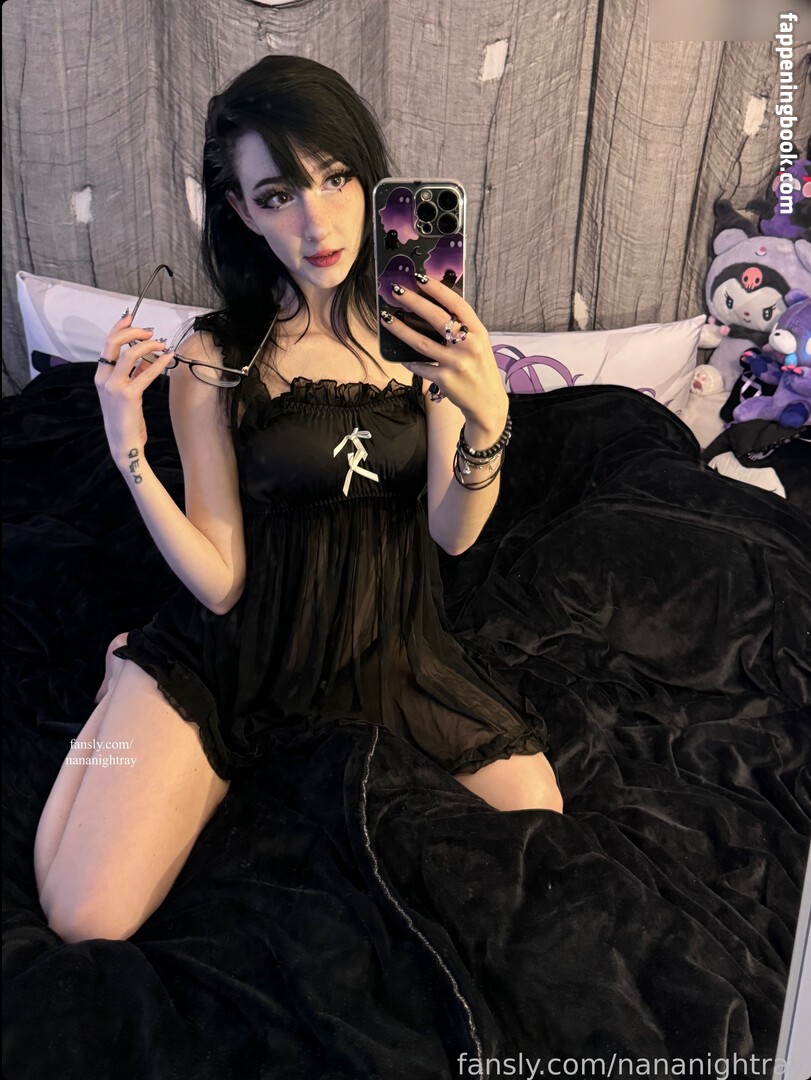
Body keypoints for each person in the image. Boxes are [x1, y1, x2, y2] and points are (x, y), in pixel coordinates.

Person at [33, 54, 562, 946]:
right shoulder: (215, 355)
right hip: (239, 654)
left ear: (371, 179)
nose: (316, 221)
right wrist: (128, 448)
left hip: (390, 646)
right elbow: (222, 584)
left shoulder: (423, 329)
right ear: (241, 211)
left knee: (538, 822)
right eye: (277, 194)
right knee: (83, 919)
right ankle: (120, 681)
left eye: (335, 178)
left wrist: (488, 422)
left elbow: (452, 534)